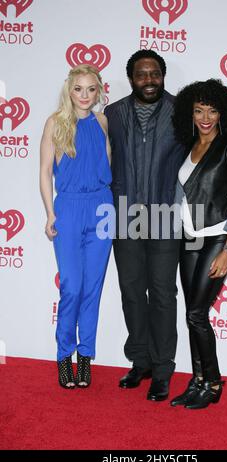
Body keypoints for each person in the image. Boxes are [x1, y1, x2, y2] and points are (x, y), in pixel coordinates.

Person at [105, 50, 185, 401]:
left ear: (163, 76)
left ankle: (163, 369)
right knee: (132, 292)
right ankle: (141, 361)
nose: (149, 79)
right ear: (131, 78)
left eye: (154, 73)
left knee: (164, 295)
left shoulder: (182, 111)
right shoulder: (113, 113)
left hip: (165, 214)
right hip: (124, 215)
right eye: (141, 74)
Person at [171, 79, 227, 409]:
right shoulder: (187, 144)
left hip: (218, 237)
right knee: (193, 315)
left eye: (213, 110)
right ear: (190, 112)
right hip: (188, 238)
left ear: (223, 113)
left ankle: (213, 383)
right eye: (199, 110)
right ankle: (198, 379)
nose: (205, 117)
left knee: (196, 313)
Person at [40, 64, 113, 389]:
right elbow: (44, 172)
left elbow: (106, 162)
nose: (84, 95)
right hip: (68, 208)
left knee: (92, 290)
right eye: (78, 89)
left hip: (102, 208)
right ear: (69, 91)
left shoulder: (102, 121)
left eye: (91, 89)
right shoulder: (55, 123)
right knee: (71, 286)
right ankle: (63, 356)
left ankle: (85, 358)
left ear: (98, 92)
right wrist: (50, 213)